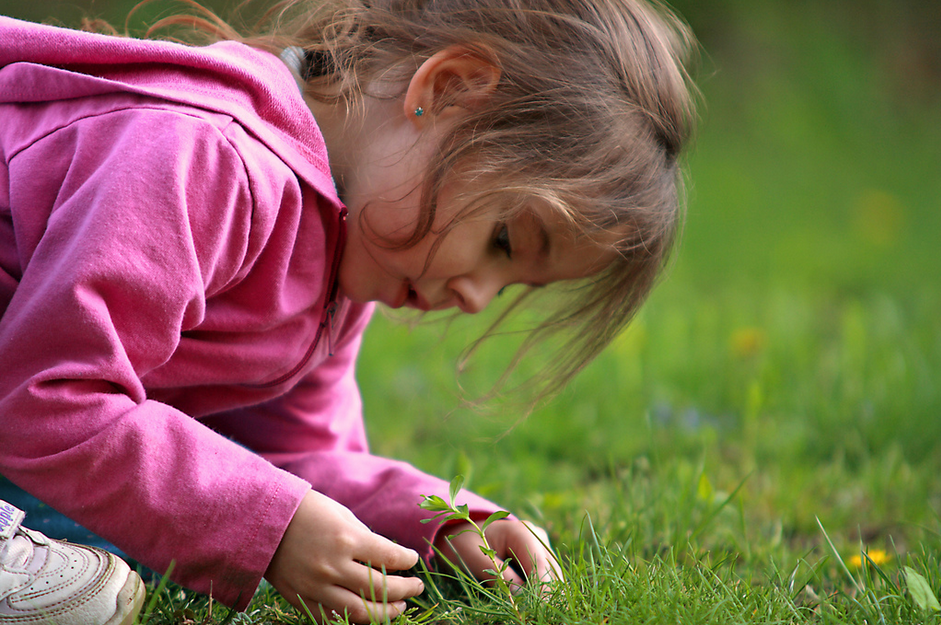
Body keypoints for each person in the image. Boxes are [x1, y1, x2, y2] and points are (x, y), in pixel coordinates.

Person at [0, 0, 697, 623]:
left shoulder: (341, 258)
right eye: (503, 240)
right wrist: (268, 525)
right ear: (445, 90)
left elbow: (295, 458)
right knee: (129, 536)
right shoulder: (204, 158)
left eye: (512, 284)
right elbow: (43, 400)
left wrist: (438, 523)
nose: (475, 295)